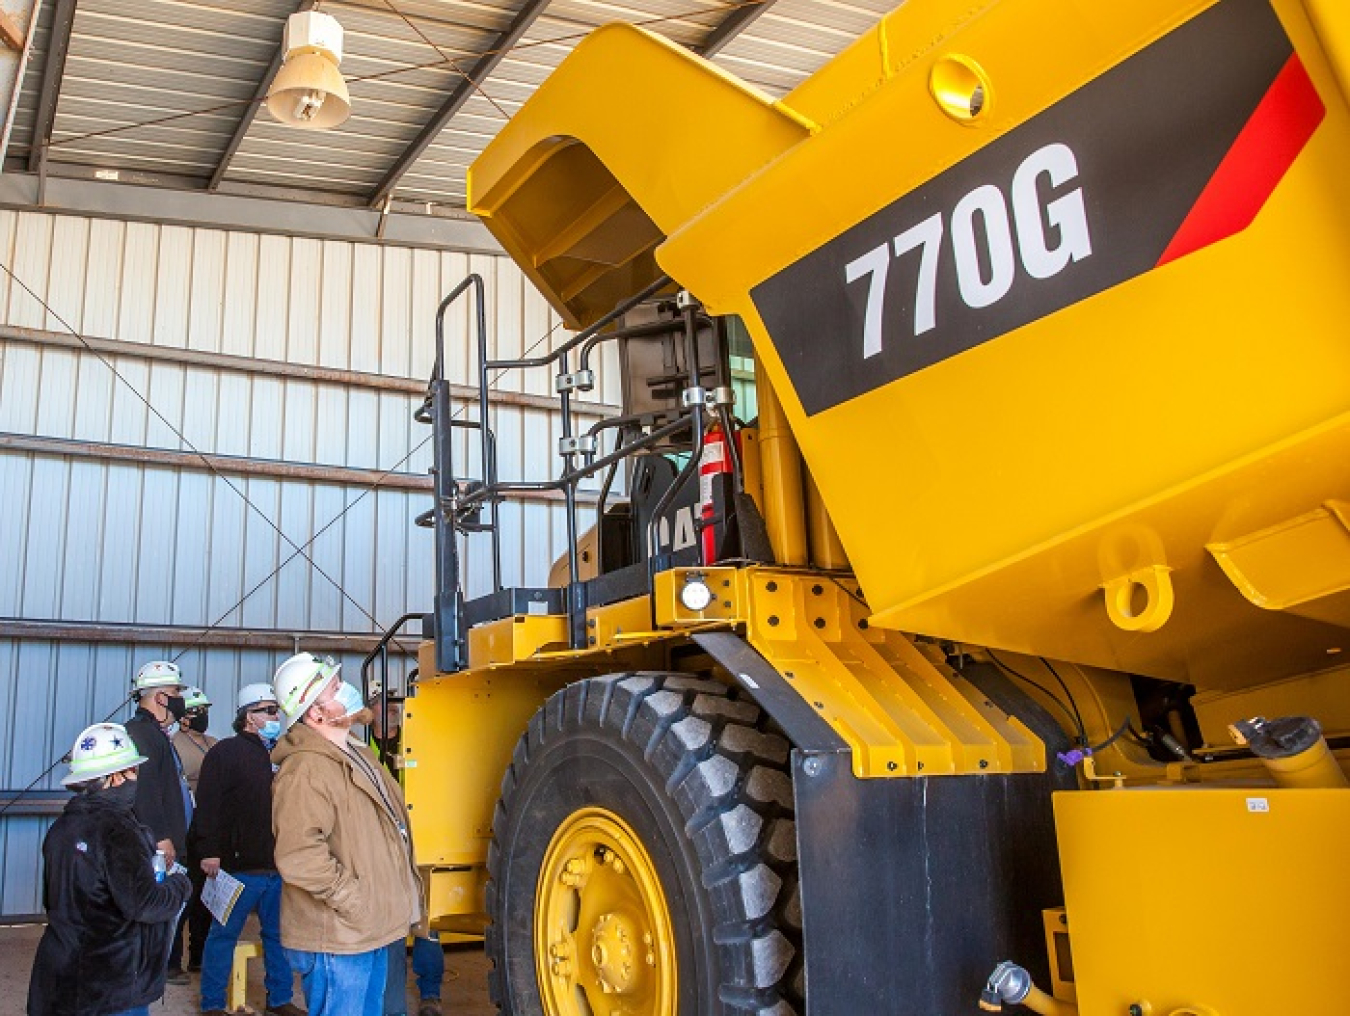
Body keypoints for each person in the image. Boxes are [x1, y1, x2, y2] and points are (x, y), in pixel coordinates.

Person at [271, 653, 424, 1016]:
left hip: (368, 929)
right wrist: (355, 900)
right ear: (315, 713)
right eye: (336, 688)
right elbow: (299, 855)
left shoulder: (355, 751)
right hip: (338, 937)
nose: (349, 691)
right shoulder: (305, 769)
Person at [27, 722, 193, 1016]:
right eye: (132, 771)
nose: (136, 778)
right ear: (114, 778)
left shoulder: (62, 828)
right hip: (110, 988)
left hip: (59, 976)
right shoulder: (117, 830)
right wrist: (179, 885)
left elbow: (57, 899)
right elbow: (145, 904)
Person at [194, 682, 304, 1016]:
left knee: (277, 937)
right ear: (248, 716)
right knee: (222, 936)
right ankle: (212, 1003)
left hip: (276, 868)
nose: (275, 716)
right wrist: (209, 850)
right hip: (236, 869)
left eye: (277, 710)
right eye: (268, 710)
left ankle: (280, 999)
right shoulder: (225, 753)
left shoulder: (279, 754)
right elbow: (208, 804)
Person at [369, 693, 444, 1016]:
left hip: (419, 842)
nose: (392, 711)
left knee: (428, 923)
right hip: (380, 847)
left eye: (395, 706)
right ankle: (391, 1000)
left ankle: (430, 996)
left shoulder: (415, 744)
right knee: (392, 926)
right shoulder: (361, 750)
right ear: (369, 714)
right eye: (383, 706)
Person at [124, 660, 193, 986]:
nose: (181, 698)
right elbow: (146, 793)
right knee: (150, 922)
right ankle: (141, 979)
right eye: (176, 691)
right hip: (155, 850)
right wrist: (161, 838)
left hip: (166, 847)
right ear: (161, 697)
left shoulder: (155, 734)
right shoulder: (142, 734)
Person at [173, 686, 217, 972]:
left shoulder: (214, 743)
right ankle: (171, 961)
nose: (201, 716)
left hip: (210, 826)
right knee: (182, 897)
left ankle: (199, 956)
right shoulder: (174, 744)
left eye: (205, 711)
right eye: (195, 712)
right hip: (185, 827)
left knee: (207, 898)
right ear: (182, 717)